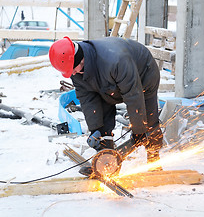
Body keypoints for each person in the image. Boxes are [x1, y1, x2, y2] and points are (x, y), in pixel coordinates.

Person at [49, 36, 163, 175]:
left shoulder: (116, 60)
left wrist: (139, 130)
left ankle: (154, 159)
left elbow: (133, 96)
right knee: (102, 118)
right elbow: (87, 99)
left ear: (80, 59)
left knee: (148, 120)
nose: (72, 73)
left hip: (143, 74)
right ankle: (107, 159)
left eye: (72, 69)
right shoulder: (75, 68)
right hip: (108, 80)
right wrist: (96, 130)